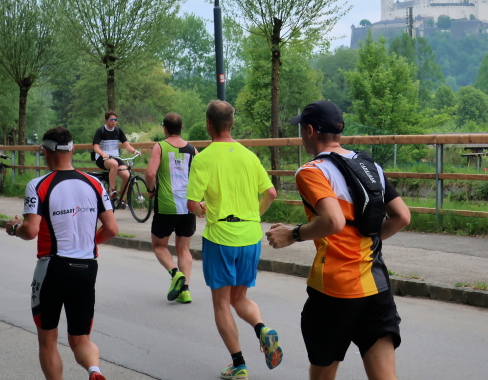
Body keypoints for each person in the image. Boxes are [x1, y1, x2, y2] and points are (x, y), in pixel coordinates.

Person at [266, 100, 411, 380]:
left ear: (310, 130)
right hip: (376, 286)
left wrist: (293, 234)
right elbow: (402, 217)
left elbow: (334, 221)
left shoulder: (312, 171)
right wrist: (364, 240)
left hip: (334, 291)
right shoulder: (370, 166)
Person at [5, 126, 117, 380]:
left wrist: (14, 228)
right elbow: (112, 228)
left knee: (48, 340)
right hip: (87, 267)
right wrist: (88, 242)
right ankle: (94, 370)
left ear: (45, 152)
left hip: (52, 267)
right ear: (73, 150)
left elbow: (30, 231)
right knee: (81, 339)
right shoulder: (95, 183)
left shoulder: (38, 185)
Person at [186, 100, 281, 380]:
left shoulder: (203, 158)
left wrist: (202, 209)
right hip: (250, 237)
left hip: (221, 237)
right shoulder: (249, 156)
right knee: (240, 297)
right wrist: (254, 215)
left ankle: (239, 364)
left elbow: (192, 203)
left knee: (221, 303)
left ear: (209, 124)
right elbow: (271, 193)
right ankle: (262, 329)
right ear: (232, 123)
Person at [145, 112, 197, 304]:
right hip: (188, 205)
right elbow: (200, 176)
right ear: (182, 128)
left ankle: (176, 274)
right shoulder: (193, 150)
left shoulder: (160, 147)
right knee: (184, 248)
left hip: (166, 204)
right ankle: (185, 291)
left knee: (159, 245)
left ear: (164, 128)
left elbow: (150, 173)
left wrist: (151, 190)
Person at [92, 110, 139, 204]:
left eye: (115, 120)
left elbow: (126, 145)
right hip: (102, 158)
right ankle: (112, 190)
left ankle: (122, 199)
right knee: (114, 164)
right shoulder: (100, 131)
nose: (113, 121)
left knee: (127, 175)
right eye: (111, 120)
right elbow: (96, 147)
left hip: (115, 157)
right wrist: (103, 154)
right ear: (106, 120)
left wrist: (134, 151)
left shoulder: (118, 131)